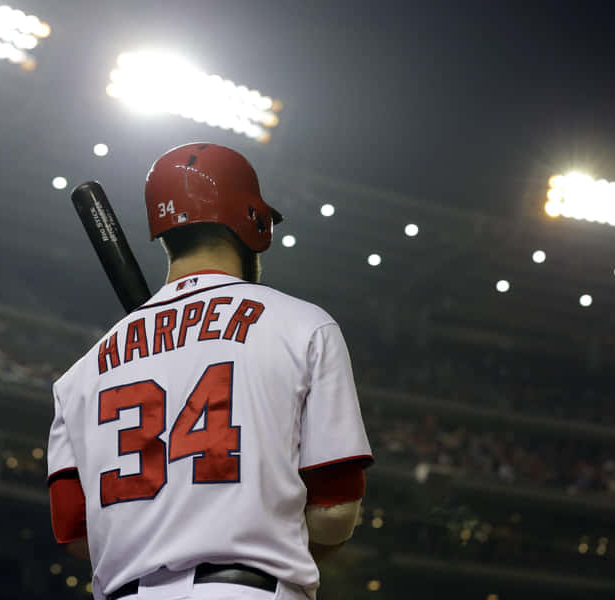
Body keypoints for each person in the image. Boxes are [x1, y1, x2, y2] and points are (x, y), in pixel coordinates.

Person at [47, 143, 372, 600]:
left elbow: (77, 535)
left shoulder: (80, 373)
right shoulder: (304, 325)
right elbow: (335, 509)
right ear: (254, 226)